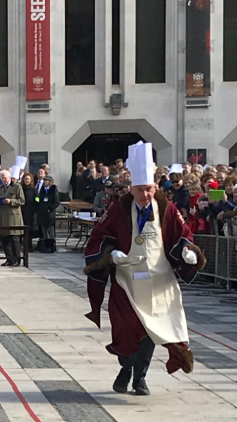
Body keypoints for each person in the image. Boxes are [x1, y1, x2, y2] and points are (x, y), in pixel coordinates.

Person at [84, 141, 206, 396]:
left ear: (155, 187)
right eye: (140, 190)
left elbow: (182, 234)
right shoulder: (119, 210)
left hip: (158, 281)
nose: (146, 195)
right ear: (132, 189)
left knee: (151, 331)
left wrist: (188, 252)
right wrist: (109, 253)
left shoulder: (166, 208)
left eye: (149, 189)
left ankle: (140, 378)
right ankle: (126, 368)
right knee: (127, 329)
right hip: (127, 282)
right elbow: (99, 235)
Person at [0, 169, 25, 266]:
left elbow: (22, 201)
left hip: (13, 217)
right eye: (1, 178)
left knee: (14, 239)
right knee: (5, 239)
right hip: (3, 216)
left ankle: (17, 259)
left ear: (9, 177)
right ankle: (9, 259)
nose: (3, 179)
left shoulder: (17, 187)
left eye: (5, 177)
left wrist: (11, 201)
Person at [36, 175, 60, 253]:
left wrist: (50, 208)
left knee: (50, 230)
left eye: (46, 180)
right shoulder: (42, 189)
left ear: (50, 182)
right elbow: (39, 198)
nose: (45, 182)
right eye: (44, 180)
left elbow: (56, 202)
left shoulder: (53, 189)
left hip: (50, 213)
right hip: (42, 213)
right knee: (44, 230)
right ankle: (46, 246)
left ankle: (51, 246)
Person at [20, 172, 38, 253]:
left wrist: (35, 209)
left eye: (28, 179)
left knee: (30, 230)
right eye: (25, 179)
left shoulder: (34, 190)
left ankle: (29, 246)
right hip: (22, 211)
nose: (27, 180)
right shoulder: (21, 189)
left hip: (31, 212)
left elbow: (37, 200)